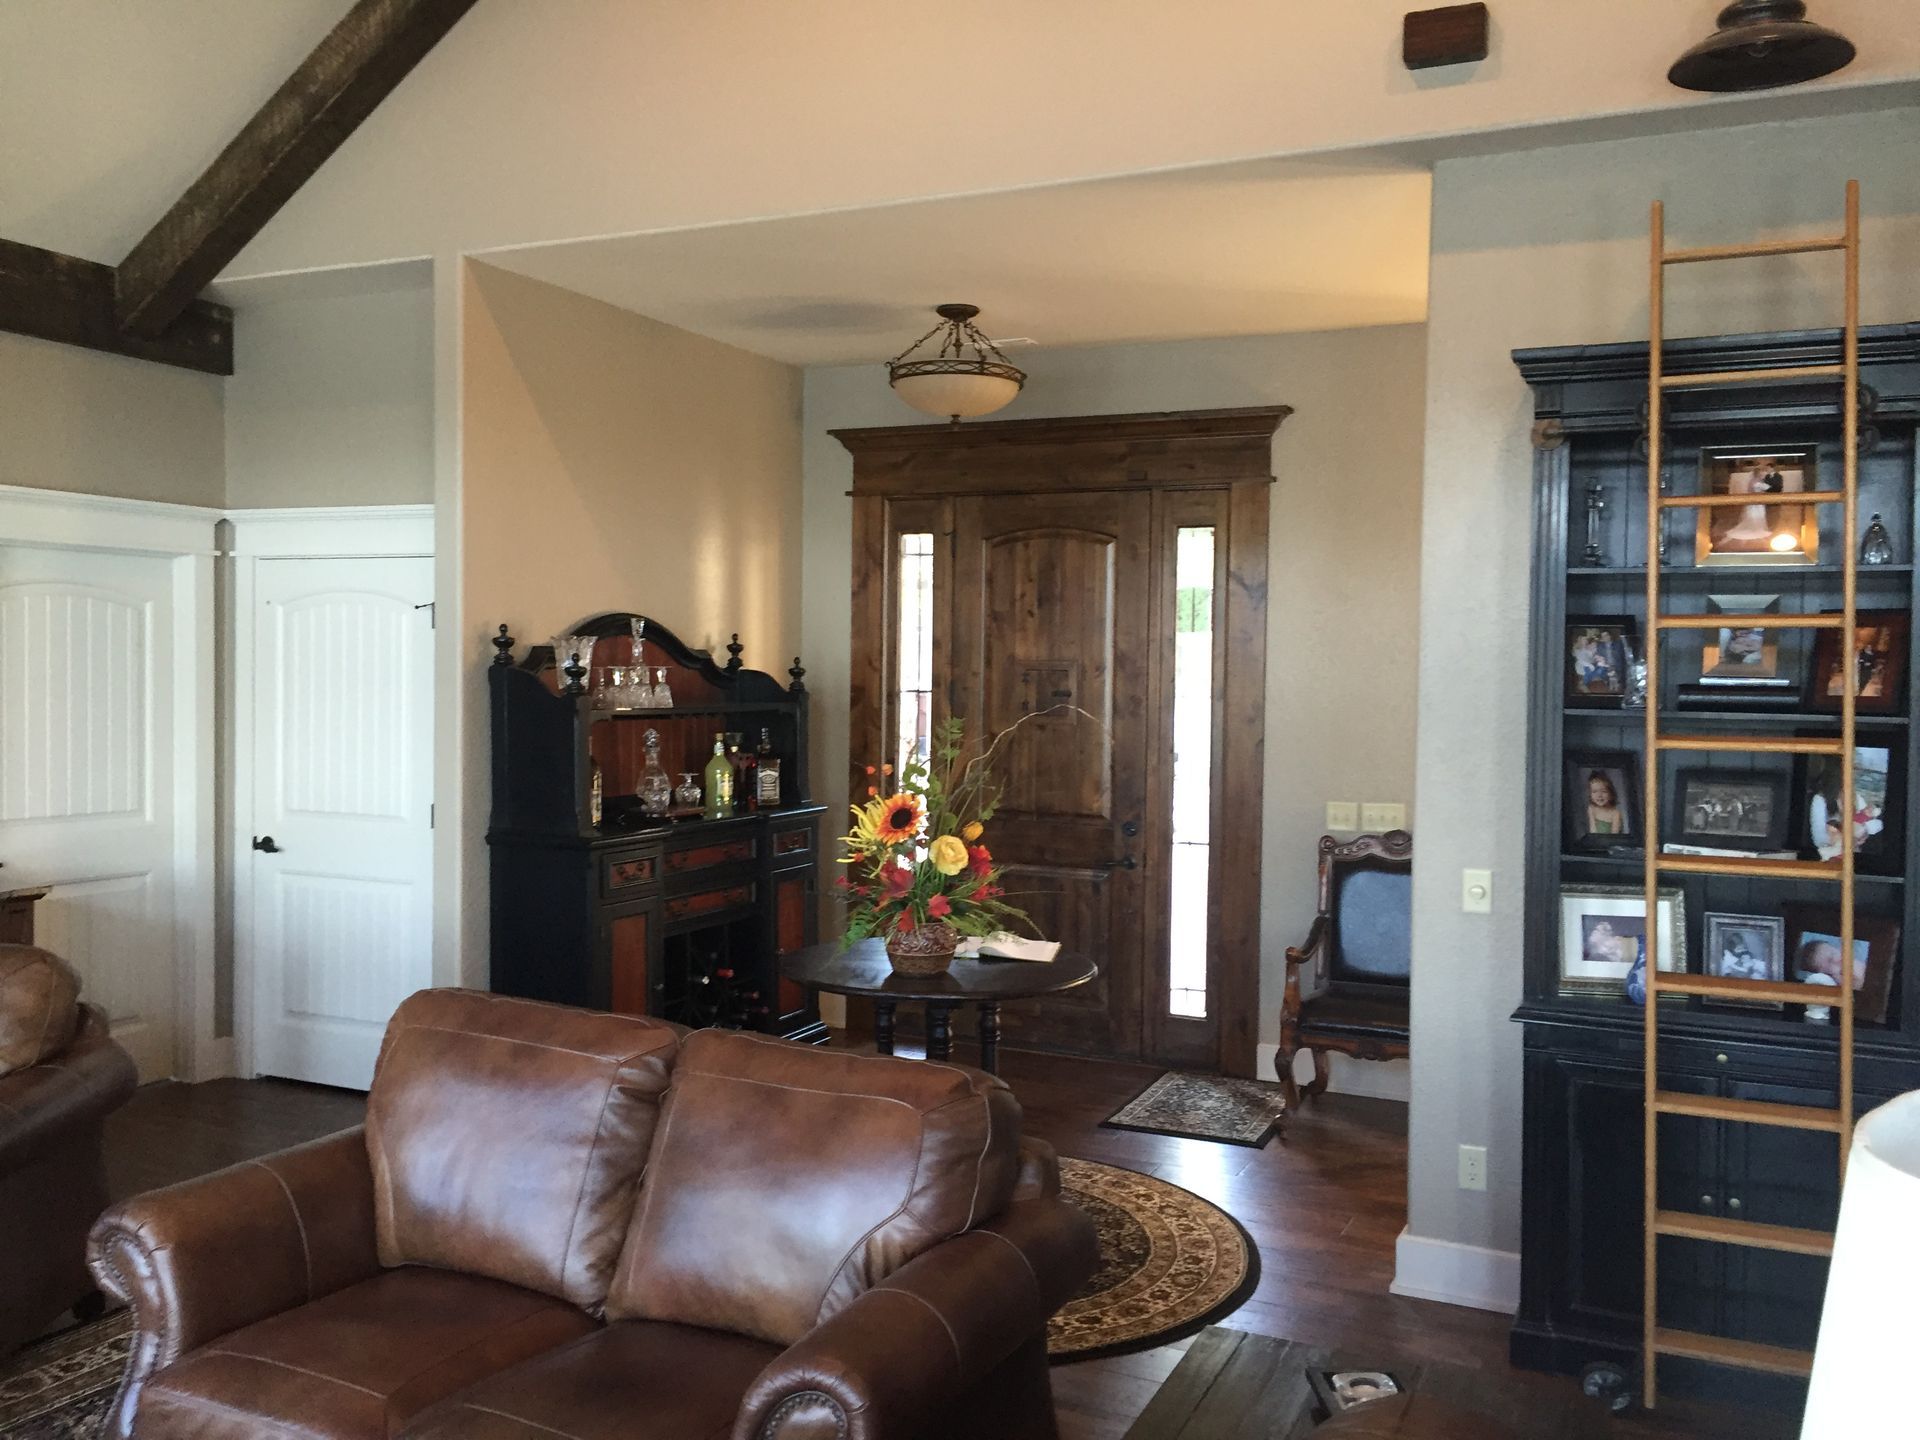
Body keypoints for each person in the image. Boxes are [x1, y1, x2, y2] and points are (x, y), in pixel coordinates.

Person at [1585, 771, 1626, 837]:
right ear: (1590, 794)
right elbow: (1593, 831)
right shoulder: (1591, 808)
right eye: (1594, 791)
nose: (1599, 795)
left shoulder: (1615, 813)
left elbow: (1615, 837)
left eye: (1604, 791)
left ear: (1611, 794)